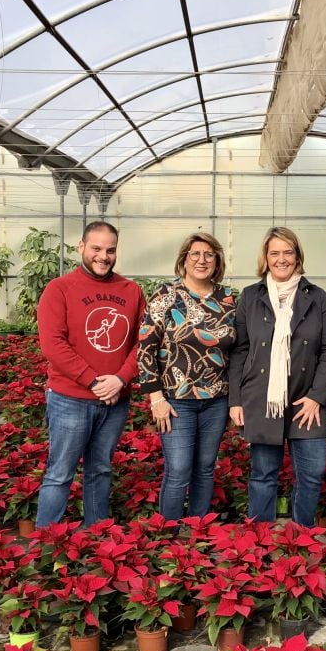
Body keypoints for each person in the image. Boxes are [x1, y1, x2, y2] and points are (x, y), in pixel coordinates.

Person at [35, 221, 145, 527]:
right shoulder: (59, 289)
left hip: (115, 400)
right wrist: (94, 381)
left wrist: (121, 378)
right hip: (70, 399)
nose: (103, 256)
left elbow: (143, 342)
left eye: (110, 250)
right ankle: (47, 544)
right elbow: (53, 344)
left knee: (101, 469)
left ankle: (96, 536)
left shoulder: (131, 290)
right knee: (60, 473)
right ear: (81, 247)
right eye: (96, 248)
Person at [228, 227, 326, 527]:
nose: (281, 259)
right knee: (263, 474)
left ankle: (303, 532)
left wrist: (317, 396)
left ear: (298, 256)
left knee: (312, 473)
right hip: (262, 399)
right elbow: (240, 350)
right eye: (274, 252)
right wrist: (236, 400)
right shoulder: (252, 296)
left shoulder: (315, 296)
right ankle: (261, 538)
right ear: (265, 257)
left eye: (288, 252)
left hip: (306, 401)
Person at [138, 233, 236, 520]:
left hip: (216, 400)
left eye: (209, 254)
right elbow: (145, 347)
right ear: (184, 259)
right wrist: (156, 398)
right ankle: (167, 537)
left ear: (217, 261)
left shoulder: (229, 299)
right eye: (195, 254)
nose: (201, 260)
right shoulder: (166, 295)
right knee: (179, 469)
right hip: (175, 401)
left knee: (206, 467)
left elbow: (239, 348)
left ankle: (197, 532)